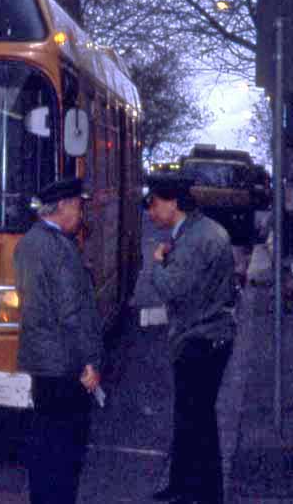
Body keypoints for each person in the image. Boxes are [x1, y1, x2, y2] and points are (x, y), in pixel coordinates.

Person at [145, 172, 237, 504]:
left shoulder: (196, 239)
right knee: (190, 416)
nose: (150, 212)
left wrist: (157, 264)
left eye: (153, 203)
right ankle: (183, 486)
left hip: (200, 338)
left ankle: (205, 494)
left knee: (198, 420)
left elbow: (173, 288)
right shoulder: (200, 231)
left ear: (173, 203)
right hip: (208, 335)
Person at [14, 177, 103, 504]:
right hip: (66, 364)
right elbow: (72, 314)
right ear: (63, 207)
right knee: (68, 449)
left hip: (42, 360)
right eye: (79, 206)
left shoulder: (29, 242)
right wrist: (89, 363)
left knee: (45, 443)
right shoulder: (60, 249)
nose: (81, 214)